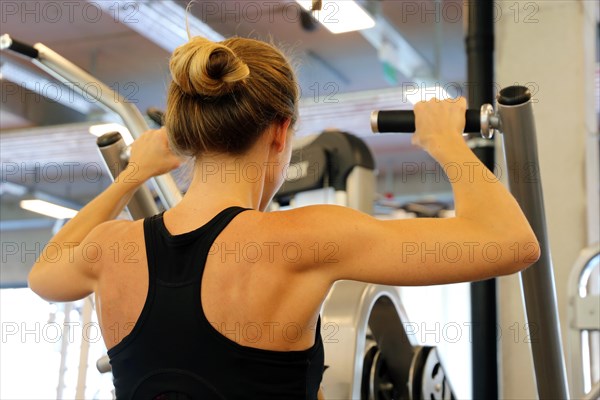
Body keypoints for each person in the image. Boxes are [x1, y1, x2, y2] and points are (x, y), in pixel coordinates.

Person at [28, 36, 540, 400]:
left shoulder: (113, 247)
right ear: (280, 133)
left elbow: (45, 273)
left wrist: (131, 176)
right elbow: (510, 242)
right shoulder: (302, 238)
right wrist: (447, 142)